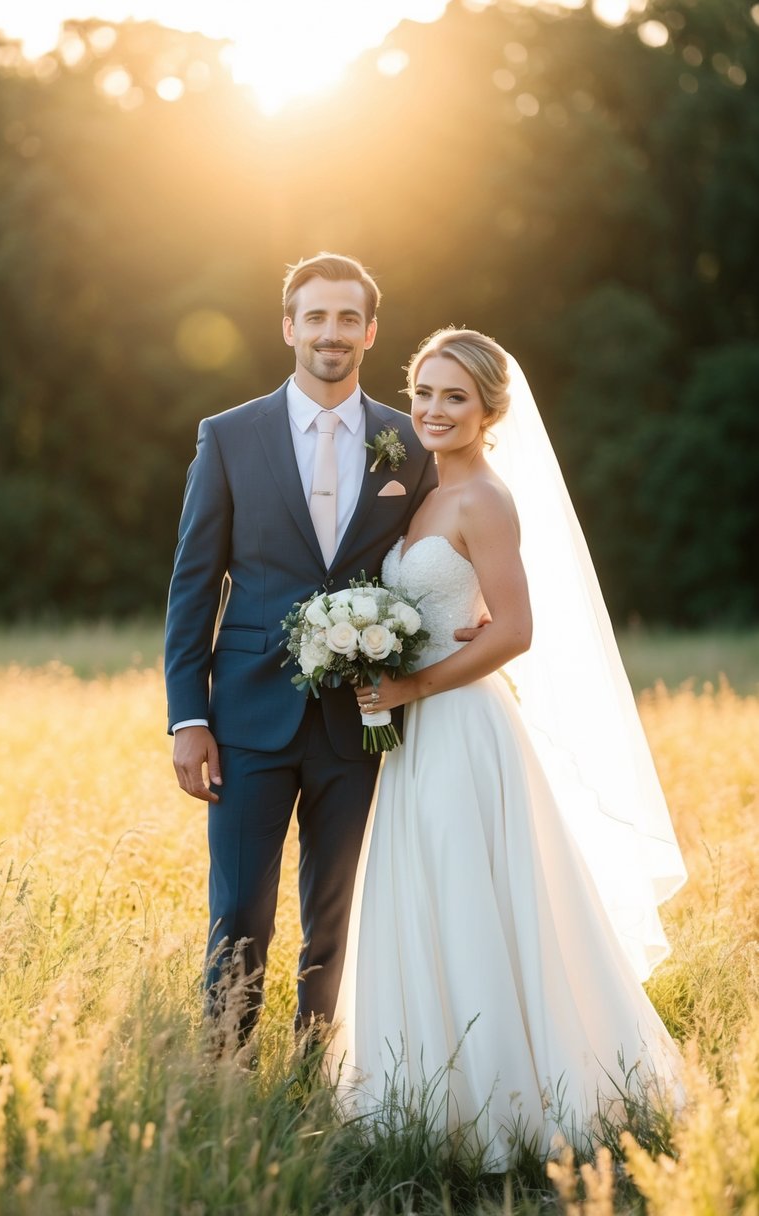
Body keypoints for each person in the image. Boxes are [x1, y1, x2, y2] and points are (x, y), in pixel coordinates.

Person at [333, 328, 686, 1163]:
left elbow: (518, 628)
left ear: (490, 409)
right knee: (424, 895)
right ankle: (423, 1098)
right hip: (418, 735)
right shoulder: (417, 487)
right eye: (422, 392)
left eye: (454, 397)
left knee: (468, 900)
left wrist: (414, 684)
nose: (431, 410)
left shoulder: (482, 499)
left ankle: (504, 1118)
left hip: (460, 727)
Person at [164, 253, 446, 1037]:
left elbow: (433, 561)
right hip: (246, 718)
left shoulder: (407, 440)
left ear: (369, 331)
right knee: (240, 909)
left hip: (360, 721)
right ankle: (226, 1075)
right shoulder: (227, 436)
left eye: (347, 318)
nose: (332, 332)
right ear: (289, 327)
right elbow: (194, 584)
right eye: (315, 317)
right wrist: (187, 718)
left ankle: (317, 1069)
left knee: (339, 911)